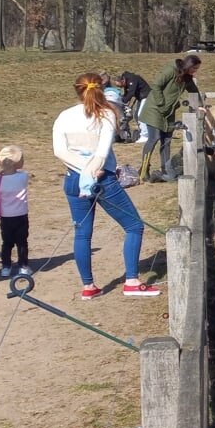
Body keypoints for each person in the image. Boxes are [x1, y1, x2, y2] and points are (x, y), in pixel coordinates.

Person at [53, 73, 160, 299]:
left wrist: (82, 167)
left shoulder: (64, 116)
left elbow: (60, 151)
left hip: (73, 179)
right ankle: (131, 280)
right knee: (134, 226)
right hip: (103, 180)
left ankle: (88, 286)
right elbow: (101, 153)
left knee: (82, 235)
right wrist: (91, 169)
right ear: (103, 89)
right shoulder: (107, 115)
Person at [140, 54, 201, 182]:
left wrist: (199, 106)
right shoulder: (171, 70)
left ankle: (166, 169)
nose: (195, 71)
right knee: (154, 138)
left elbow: (194, 91)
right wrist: (161, 103)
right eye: (194, 68)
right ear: (188, 65)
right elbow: (156, 85)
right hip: (155, 109)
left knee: (167, 140)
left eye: (196, 69)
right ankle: (144, 169)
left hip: (168, 113)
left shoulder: (187, 78)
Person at [0, 145, 31, 277]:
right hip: (21, 216)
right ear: (15, 163)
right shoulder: (23, 177)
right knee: (22, 242)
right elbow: (23, 173)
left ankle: (5, 267)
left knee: (6, 243)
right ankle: (23, 266)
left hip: (5, 217)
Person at [112, 71, 151, 143]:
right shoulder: (126, 82)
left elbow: (131, 93)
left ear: (122, 81)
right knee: (136, 115)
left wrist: (121, 101)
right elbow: (127, 93)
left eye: (120, 86)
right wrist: (125, 101)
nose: (121, 88)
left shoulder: (132, 79)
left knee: (141, 115)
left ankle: (145, 136)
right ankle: (145, 132)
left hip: (147, 97)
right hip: (141, 98)